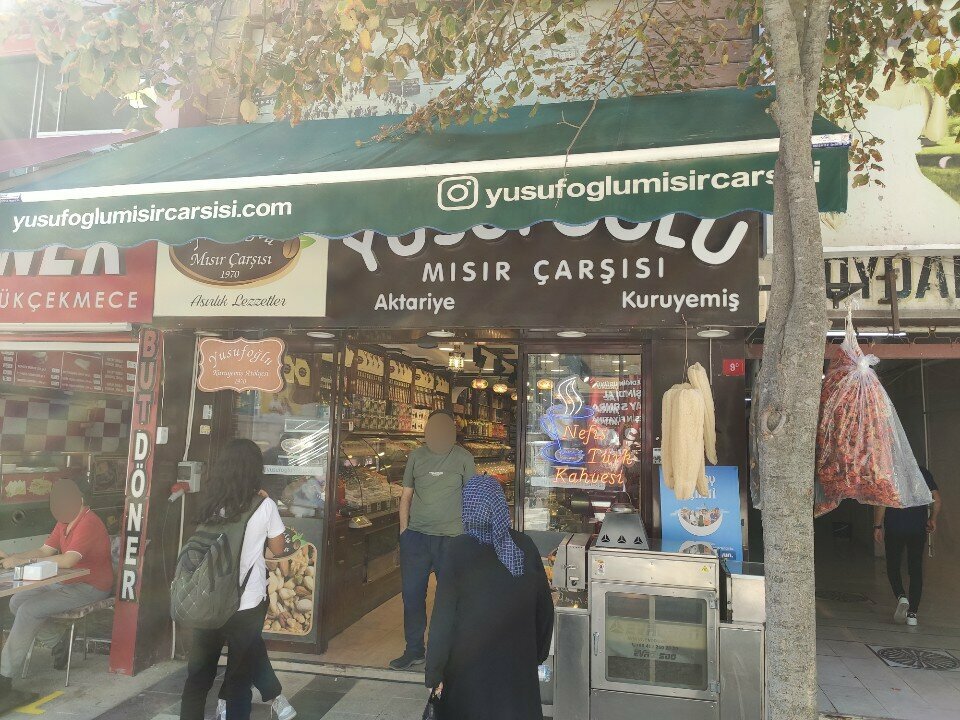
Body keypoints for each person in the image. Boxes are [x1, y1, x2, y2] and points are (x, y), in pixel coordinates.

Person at [179, 439, 294, 720]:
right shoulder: (263, 505)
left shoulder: (209, 502)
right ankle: (270, 697)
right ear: (255, 469)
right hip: (246, 604)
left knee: (198, 677)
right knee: (239, 680)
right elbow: (279, 548)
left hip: (208, 599)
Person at [425, 475, 554, 720]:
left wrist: (434, 672)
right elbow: (545, 610)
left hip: (469, 672)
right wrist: (535, 654)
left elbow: (443, 617)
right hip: (517, 668)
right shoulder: (524, 545)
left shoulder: (458, 549)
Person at [0, 478, 113, 700]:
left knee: (29, 610)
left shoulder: (88, 522)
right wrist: (13, 557)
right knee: (16, 601)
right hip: (67, 581)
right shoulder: (64, 521)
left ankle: (4, 677)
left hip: (90, 585)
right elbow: (45, 551)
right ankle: (57, 640)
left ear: (80, 499)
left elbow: (69, 560)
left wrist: (23, 561)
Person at [390, 410, 475, 671]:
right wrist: (404, 532)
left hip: (452, 539)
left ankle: (448, 653)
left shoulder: (464, 457)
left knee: (450, 599)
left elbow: (472, 498)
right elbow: (406, 495)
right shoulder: (416, 456)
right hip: (416, 538)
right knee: (412, 596)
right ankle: (414, 650)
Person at [873, 465, 942, 626]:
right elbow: (937, 500)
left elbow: (882, 503)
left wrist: (877, 526)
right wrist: (932, 519)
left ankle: (901, 596)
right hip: (917, 529)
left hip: (895, 528)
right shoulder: (923, 472)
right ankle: (912, 615)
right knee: (915, 569)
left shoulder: (890, 473)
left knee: (893, 566)